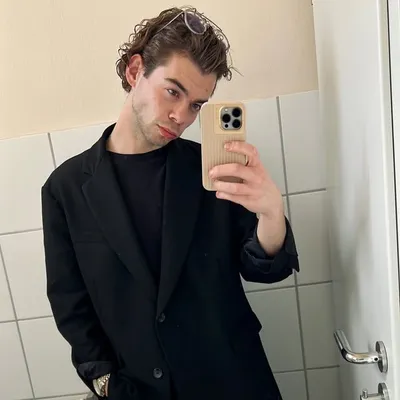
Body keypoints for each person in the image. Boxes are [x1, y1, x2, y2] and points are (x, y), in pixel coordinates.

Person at [41, 6, 299, 400]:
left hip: (233, 381)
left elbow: (263, 269)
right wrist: (103, 382)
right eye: (173, 92)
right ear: (135, 72)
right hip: (137, 390)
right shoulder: (67, 189)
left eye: (196, 104)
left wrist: (271, 214)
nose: (181, 116)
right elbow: (70, 303)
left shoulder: (210, 169)